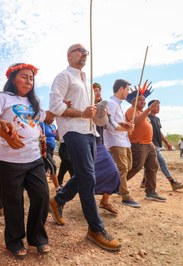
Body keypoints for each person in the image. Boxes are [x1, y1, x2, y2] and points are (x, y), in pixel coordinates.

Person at [48, 43, 121, 251]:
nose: (84, 54)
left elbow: (96, 119)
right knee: (88, 178)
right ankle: (95, 229)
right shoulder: (63, 77)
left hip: (91, 133)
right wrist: (81, 113)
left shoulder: (86, 82)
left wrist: (100, 113)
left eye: (86, 52)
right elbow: (55, 107)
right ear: (69, 55)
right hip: (73, 131)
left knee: (85, 175)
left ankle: (58, 200)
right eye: (80, 50)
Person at [0, 63, 52, 258]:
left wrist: (66, 106)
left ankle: (37, 237)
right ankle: (14, 241)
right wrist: (6, 134)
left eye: (31, 78)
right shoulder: (2, 98)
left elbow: (49, 118)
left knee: (42, 195)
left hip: (34, 158)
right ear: (13, 79)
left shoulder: (34, 102)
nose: (29, 81)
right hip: (9, 161)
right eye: (24, 76)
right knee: (14, 203)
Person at [125, 82, 166, 202]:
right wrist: (149, 108)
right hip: (138, 144)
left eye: (144, 100)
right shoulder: (131, 110)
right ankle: (117, 184)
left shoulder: (143, 112)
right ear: (134, 102)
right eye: (140, 100)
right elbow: (136, 122)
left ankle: (151, 192)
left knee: (153, 166)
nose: (143, 101)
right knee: (136, 167)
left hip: (149, 144)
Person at [103, 79, 138, 208]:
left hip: (124, 141)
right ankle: (125, 196)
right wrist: (127, 128)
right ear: (121, 89)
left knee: (127, 167)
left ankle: (112, 190)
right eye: (127, 89)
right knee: (123, 169)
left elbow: (117, 123)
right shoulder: (111, 103)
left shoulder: (118, 104)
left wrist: (126, 127)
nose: (128, 93)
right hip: (115, 141)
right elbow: (110, 126)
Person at [140, 100, 183, 191]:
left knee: (149, 164)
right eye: (157, 106)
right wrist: (151, 143)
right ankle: (172, 182)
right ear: (151, 107)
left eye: (159, 106)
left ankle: (144, 182)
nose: (159, 107)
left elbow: (159, 132)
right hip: (151, 144)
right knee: (162, 162)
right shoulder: (147, 117)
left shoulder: (157, 119)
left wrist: (166, 143)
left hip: (156, 144)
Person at [92, 83, 122, 215]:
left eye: (99, 91)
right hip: (86, 143)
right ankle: (60, 200)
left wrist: (124, 126)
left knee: (114, 171)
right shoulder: (85, 107)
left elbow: (112, 125)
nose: (98, 93)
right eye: (95, 91)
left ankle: (105, 200)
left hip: (99, 144)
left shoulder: (104, 109)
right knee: (83, 176)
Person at [39, 120, 61, 192]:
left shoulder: (53, 126)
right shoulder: (41, 124)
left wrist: (60, 130)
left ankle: (41, 188)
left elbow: (56, 138)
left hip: (51, 149)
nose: (53, 119)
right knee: (53, 166)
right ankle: (58, 188)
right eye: (51, 117)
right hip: (45, 148)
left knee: (45, 169)